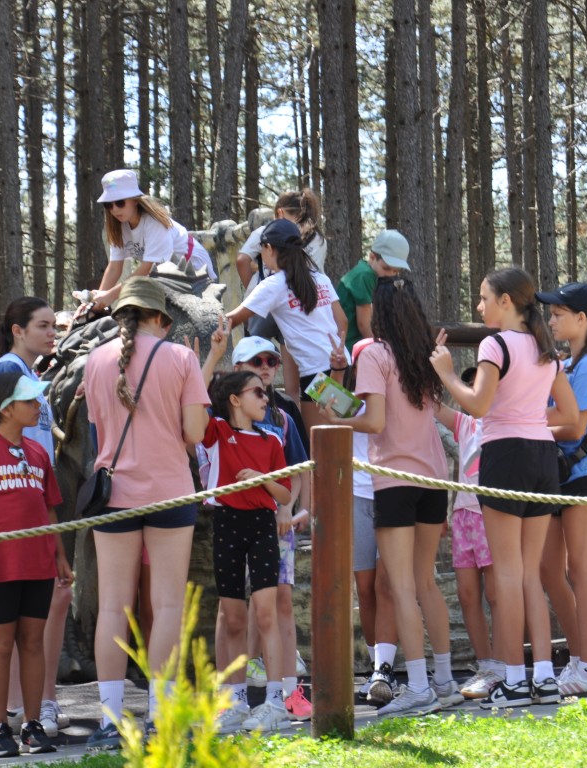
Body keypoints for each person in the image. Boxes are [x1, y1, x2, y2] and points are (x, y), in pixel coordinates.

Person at [430, 267, 580, 709]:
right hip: (541, 459)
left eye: (483, 298)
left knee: (510, 574)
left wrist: (446, 374)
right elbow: (569, 415)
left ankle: (514, 679)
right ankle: (544, 678)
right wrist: (526, 413)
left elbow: (477, 405)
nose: (479, 307)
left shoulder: (494, 344)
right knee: (529, 575)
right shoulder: (545, 348)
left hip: (506, 457)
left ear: (506, 301)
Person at [83, 277, 210, 750]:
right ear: (160, 318)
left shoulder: (95, 361)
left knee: (113, 606)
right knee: (168, 604)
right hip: (169, 492)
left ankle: (109, 720)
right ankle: (161, 717)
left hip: (112, 494)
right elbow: (195, 433)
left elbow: (98, 429)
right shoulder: (180, 358)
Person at [322, 276, 455, 718]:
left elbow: (374, 421)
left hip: (395, 479)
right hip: (434, 478)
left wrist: (336, 420)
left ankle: (418, 688)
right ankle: (444, 680)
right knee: (425, 582)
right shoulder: (425, 354)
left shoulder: (376, 354)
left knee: (401, 587)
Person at [0, 297, 72, 737]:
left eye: (53, 325)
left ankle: (33, 712)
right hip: (7, 534)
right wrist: (0, 452)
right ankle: (15, 714)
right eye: (42, 325)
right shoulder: (9, 369)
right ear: (18, 331)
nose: (51, 332)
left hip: (37, 526)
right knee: (8, 636)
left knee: (35, 627)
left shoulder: (29, 374)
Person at [199, 330, 313, 721]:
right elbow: (194, 409)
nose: (266, 397)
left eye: (265, 393)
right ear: (235, 399)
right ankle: (233, 702)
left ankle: (277, 700)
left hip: (264, 525)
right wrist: (212, 358)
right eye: (257, 393)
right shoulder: (217, 431)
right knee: (232, 617)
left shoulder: (272, 440)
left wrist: (261, 480)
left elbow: (283, 492)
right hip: (227, 524)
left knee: (267, 613)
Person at [535, 282, 587, 696]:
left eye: (558, 314)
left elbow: (575, 426)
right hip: (559, 475)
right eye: (549, 314)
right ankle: (578, 658)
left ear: (582, 319)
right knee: (549, 570)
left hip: (583, 474)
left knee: (579, 570)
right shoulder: (570, 362)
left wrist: (527, 423)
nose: (550, 321)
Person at [226, 218, 348, 436]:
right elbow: (343, 322)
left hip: (317, 375)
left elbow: (232, 319)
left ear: (269, 248)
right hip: (343, 364)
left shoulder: (273, 285)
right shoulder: (320, 278)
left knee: (319, 446)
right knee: (346, 439)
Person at [434, 367, 501, 700]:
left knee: (497, 594)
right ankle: (485, 665)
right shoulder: (464, 424)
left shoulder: (504, 424)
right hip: (463, 515)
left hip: (492, 514)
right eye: (471, 385)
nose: (475, 391)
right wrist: (433, 365)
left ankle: (502, 665)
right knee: (467, 594)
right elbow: (434, 405)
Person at [342, 339, 400, 705]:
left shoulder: (397, 397)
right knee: (364, 587)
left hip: (391, 493)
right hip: (357, 495)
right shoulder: (349, 402)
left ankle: (385, 670)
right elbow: (323, 416)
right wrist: (336, 368)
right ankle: (376, 666)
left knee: (386, 584)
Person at [236, 189, 328, 398]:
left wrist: (255, 291)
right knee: (296, 383)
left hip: (264, 309)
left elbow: (241, 259)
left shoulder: (265, 232)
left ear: (279, 212)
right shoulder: (317, 238)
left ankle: (258, 402)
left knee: (256, 362)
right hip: (298, 308)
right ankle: (296, 410)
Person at [88, 169, 197, 312]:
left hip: (194, 268)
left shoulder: (154, 223)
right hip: (166, 275)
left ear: (134, 200)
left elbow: (147, 268)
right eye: (108, 205)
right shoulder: (118, 227)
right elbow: (114, 268)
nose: (114, 209)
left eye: (120, 202)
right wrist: (98, 300)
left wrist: (110, 295)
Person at [336, 229, 410, 350]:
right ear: (372, 257)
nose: (390, 275)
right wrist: (381, 349)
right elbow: (363, 325)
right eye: (386, 268)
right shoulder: (365, 275)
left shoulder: (371, 274)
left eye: (395, 271)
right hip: (348, 346)